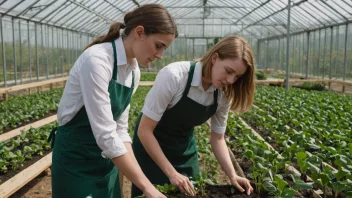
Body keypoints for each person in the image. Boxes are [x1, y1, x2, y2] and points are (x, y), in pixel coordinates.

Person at [48, 4, 178, 198]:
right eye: (159, 45)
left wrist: (145, 184)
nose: (160, 55)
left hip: (107, 163)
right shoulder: (97, 60)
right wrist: (147, 187)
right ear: (139, 32)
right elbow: (105, 133)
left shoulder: (133, 72)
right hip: (76, 162)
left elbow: (120, 130)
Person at [132, 36, 255, 197]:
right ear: (215, 58)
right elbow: (145, 130)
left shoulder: (222, 95)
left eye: (237, 76)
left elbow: (218, 138)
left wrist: (232, 175)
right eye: (229, 71)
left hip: (184, 150)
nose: (231, 80)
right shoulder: (174, 76)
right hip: (151, 149)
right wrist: (172, 173)